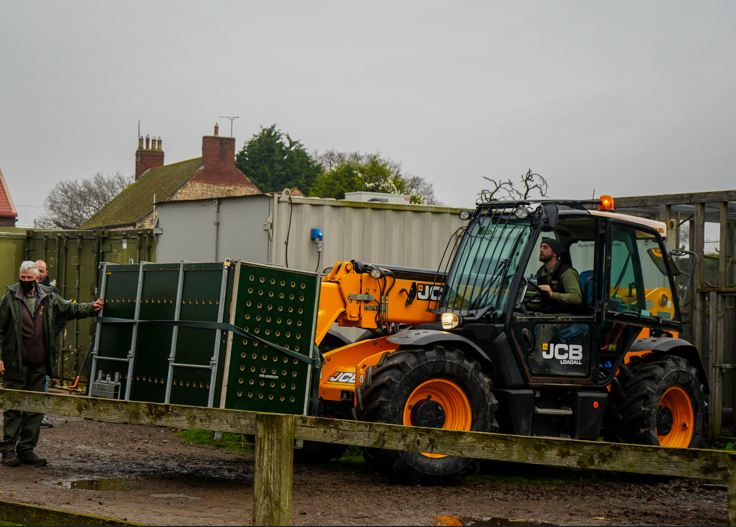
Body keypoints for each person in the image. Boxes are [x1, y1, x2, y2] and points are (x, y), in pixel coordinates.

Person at [0, 261, 103, 467]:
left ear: (37, 277)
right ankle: (8, 451)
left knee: (35, 409)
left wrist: (92, 307)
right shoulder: (9, 299)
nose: (27, 281)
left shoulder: (49, 298)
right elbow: (0, 330)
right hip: (14, 364)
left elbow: (71, 309)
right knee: (13, 409)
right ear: (19, 276)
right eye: (24, 278)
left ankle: (26, 450)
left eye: (30, 278)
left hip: (39, 364)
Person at [35, 260, 66, 429]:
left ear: (46, 273)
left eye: (42, 271)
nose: (39, 274)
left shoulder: (53, 292)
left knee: (44, 379)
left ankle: (41, 415)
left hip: (44, 346)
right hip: (27, 346)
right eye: (37, 270)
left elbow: (61, 318)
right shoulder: (23, 291)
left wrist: (49, 335)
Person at [526, 238, 582, 314]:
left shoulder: (566, 272)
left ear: (555, 253)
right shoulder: (541, 274)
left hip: (568, 315)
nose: (541, 250)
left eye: (545, 247)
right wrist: (524, 304)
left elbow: (577, 298)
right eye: (541, 247)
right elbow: (542, 304)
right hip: (551, 313)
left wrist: (552, 295)